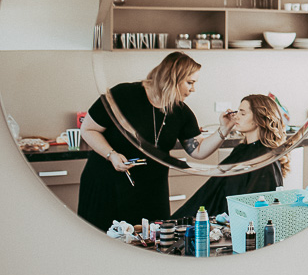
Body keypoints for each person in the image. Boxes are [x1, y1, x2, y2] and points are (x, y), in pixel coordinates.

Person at [78, 52, 234, 231]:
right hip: (107, 184)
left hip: (150, 191)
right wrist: (111, 155)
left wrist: (224, 129)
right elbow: (88, 129)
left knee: (152, 244)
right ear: (172, 78)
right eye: (190, 82)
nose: (193, 89)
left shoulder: (180, 111)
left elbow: (198, 150)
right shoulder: (122, 94)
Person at [173, 94, 290, 218]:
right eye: (237, 111)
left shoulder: (264, 158)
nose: (236, 117)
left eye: (243, 113)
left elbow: (257, 211)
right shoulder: (242, 149)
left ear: (259, 118)